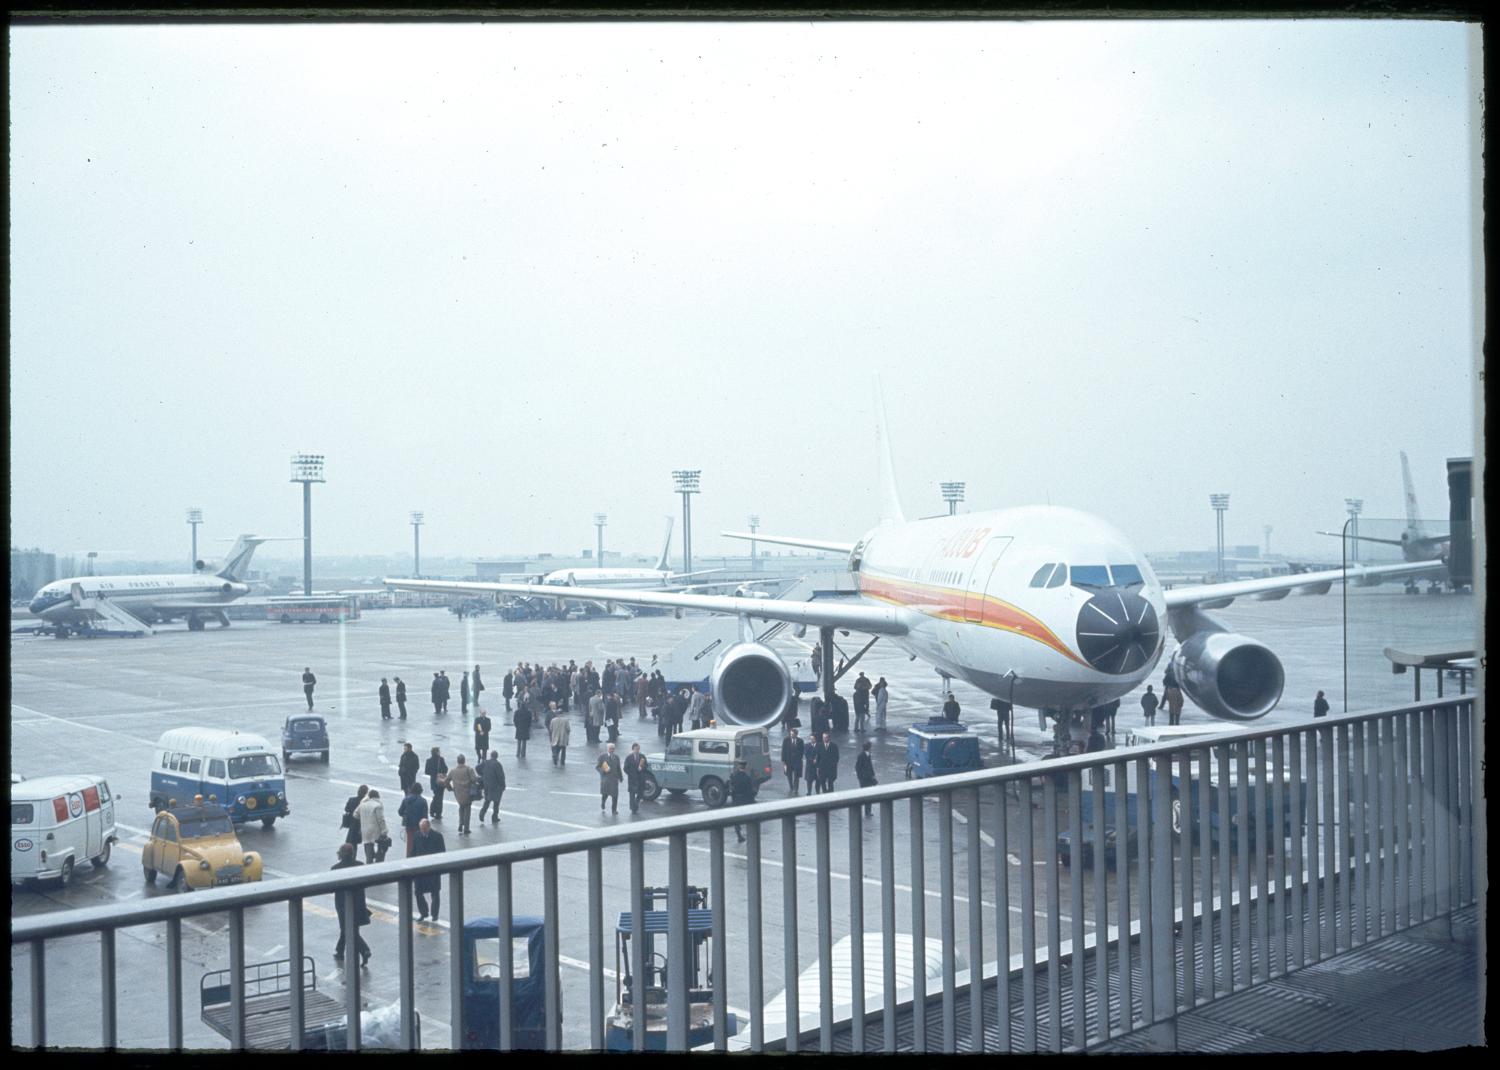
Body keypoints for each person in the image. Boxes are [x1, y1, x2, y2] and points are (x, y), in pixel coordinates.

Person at [330, 843, 371, 966]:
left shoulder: (335, 869)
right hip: (358, 903)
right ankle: (340, 950)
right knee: (351, 928)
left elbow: (332, 887)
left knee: (347, 929)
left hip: (342, 904)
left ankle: (364, 950)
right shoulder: (360, 866)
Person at [411, 818, 446, 921]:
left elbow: (442, 852)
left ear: (429, 827)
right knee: (418, 892)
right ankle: (423, 912)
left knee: (435, 892)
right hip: (420, 868)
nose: (423, 831)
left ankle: (435, 914)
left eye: (425, 829)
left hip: (433, 869)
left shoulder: (438, 836)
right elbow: (414, 851)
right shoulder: (416, 835)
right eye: (421, 829)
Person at [446, 753, 479, 834]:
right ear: (464, 761)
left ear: (457, 761)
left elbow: (446, 780)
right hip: (467, 793)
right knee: (467, 809)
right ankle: (466, 828)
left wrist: (450, 788)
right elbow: (474, 779)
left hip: (458, 793)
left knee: (461, 807)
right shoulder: (469, 769)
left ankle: (461, 823)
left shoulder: (453, 771)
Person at [356, 789, 390, 863]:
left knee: (368, 848)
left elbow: (355, 814)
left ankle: (369, 863)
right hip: (375, 830)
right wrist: (384, 830)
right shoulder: (378, 805)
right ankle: (378, 862)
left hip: (365, 830)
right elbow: (381, 819)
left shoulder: (362, 804)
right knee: (381, 847)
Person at [728, 760, 757, 843]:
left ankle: (739, 835)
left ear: (738, 767)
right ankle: (751, 834)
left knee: (736, 820)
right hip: (746, 801)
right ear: (745, 767)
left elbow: (731, 790)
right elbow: (750, 791)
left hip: (736, 800)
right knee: (750, 818)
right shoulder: (747, 778)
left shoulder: (734, 777)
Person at [397, 783, 428, 856]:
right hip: (419, 825)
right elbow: (425, 816)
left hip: (409, 824)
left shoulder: (406, 799)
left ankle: (409, 856)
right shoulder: (423, 801)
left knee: (410, 841)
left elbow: (400, 812)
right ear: (421, 791)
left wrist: (405, 815)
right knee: (419, 841)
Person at [477, 751, 506, 824]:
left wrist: (483, 775)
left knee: (487, 800)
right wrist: (503, 785)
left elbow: (477, 767)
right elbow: (501, 776)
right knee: (496, 802)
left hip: (486, 784)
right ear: (497, 756)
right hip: (495, 786)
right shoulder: (497, 764)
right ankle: (494, 817)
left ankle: (482, 813)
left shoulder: (485, 762)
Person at [596, 742, 623, 815]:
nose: (612, 750)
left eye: (613, 749)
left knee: (615, 795)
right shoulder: (602, 756)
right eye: (610, 748)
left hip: (614, 779)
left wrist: (620, 777)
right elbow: (597, 767)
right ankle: (603, 802)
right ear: (607, 749)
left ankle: (614, 810)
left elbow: (618, 768)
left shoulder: (616, 757)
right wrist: (603, 770)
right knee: (605, 794)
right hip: (606, 779)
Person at [623, 743, 649, 814]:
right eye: (636, 749)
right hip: (632, 779)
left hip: (640, 778)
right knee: (632, 794)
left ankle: (636, 802)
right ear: (633, 749)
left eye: (638, 749)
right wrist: (630, 774)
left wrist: (642, 768)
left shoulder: (642, 757)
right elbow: (625, 768)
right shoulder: (629, 757)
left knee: (640, 793)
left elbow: (646, 765)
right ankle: (633, 808)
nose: (637, 750)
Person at [425, 747, 449, 821]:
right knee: (439, 797)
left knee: (436, 795)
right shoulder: (441, 759)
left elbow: (427, 771)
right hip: (440, 780)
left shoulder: (428, 760)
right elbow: (445, 769)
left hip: (433, 781)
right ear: (437, 752)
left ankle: (432, 810)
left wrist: (433, 773)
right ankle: (437, 813)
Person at [854, 741, 877, 815]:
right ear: (869, 748)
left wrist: (872, 775)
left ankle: (868, 811)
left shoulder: (868, 755)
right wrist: (860, 777)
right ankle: (866, 811)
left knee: (869, 795)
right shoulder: (861, 756)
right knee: (865, 795)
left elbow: (870, 766)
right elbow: (857, 767)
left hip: (868, 778)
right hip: (864, 779)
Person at [342, 784, 368, 849]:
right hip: (361, 825)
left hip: (352, 824)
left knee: (351, 842)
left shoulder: (351, 800)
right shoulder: (366, 802)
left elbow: (346, 809)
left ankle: (350, 856)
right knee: (358, 843)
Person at [781, 728, 804, 795]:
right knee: (789, 775)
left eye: (793, 734)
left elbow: (802, 751)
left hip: (797, 762)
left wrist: (799, 759)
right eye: (791, 734)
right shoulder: (786, 740)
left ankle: (795, 789)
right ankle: (791, 787)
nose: (791, 735)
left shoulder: (800, 741)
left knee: (796, 776)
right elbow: (783, 751)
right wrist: (783, 761)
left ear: (796, 734)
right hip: (788, 761)